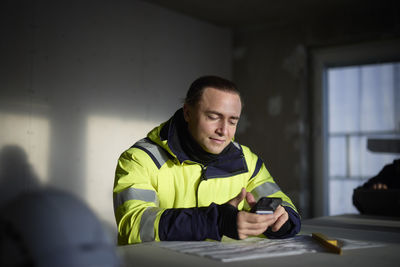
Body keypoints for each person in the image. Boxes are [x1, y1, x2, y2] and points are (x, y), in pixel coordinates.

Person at [113, 75, 301, 245]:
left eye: (233, 121)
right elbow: (134, 224)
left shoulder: (247, 161)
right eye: (213, 117)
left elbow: (287, 209)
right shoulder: (139, 159)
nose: (224, 131)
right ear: (187, 113)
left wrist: (279, 223)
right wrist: (216, 221)